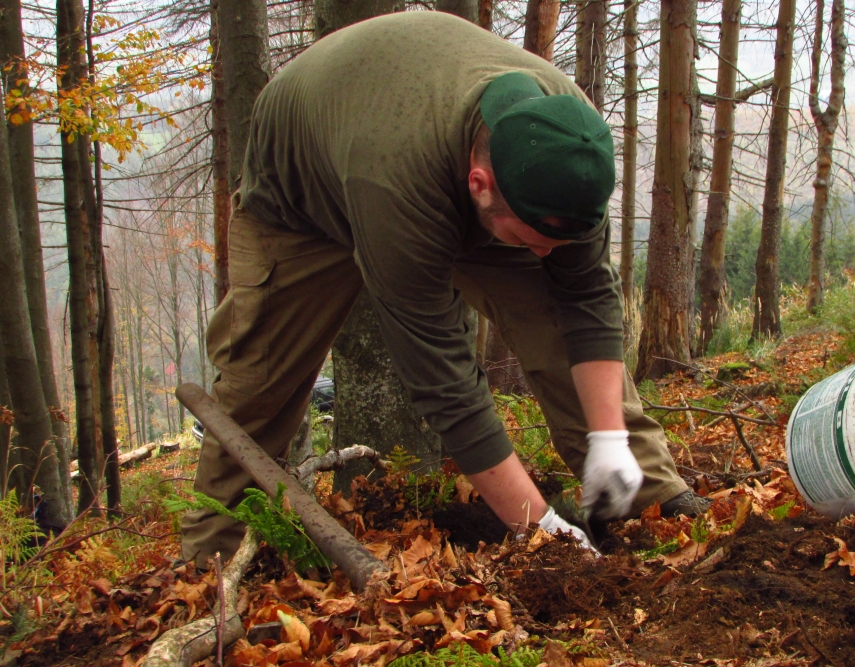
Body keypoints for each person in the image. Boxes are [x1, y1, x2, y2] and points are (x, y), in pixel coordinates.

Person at [180, 10, 710, 565]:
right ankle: (213, 560)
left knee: (552, 314)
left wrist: (608, 441)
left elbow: (587, 299)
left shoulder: (566, 147)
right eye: (529, 240)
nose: (543, 257)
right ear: (480, 186)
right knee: (259, 382)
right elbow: (444, 382)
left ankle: (646, 492)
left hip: (433, 162)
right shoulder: (396, 181)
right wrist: (538, 531)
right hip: (304, 201)